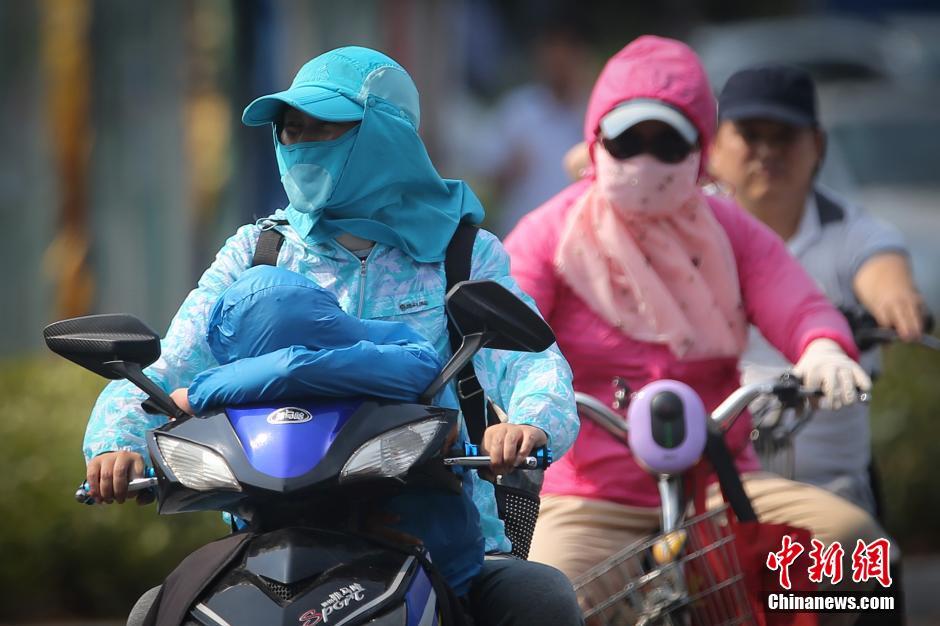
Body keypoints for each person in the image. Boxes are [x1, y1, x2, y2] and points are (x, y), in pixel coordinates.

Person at [82, 46, 584, 625]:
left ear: (386, 135)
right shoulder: (256, 252)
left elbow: (533, 361)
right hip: (272, 529)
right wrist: (115, 442)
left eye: (323, 129)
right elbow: (172, 365)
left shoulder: (460, 254)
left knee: (541, 600)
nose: (299, 145)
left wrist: (528, 424)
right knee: (155, 611)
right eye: (291, 130)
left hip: (435, 534)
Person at [504, 36, 886, 622]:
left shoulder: (731, 229)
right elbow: (506, 326)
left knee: (855, 549)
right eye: (629, 139)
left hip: (720, 484)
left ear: (701, 150)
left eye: (669, 141)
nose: (647, 159)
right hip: (589, 495)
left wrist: (824, 347)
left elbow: (800, 305)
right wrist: (510, 400)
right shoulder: (549, 232)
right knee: (547, 600)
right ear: (597, 140)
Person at [709, 64, 925, 515]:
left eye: (784, 135)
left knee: (854, 560)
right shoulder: (685, 230)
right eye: (750, 134)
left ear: (818, 146)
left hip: (833, 486)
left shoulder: (853, 232)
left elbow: (884, 271)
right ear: (711, 147)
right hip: (714, 485)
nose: (767, 151)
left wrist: (895, 301)